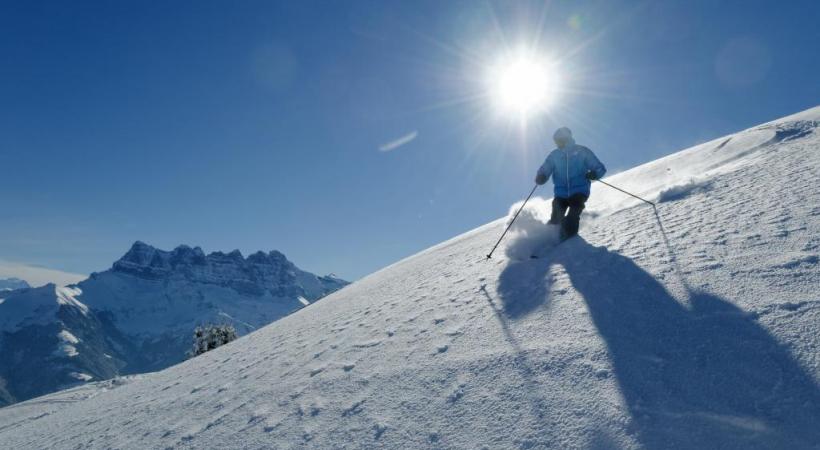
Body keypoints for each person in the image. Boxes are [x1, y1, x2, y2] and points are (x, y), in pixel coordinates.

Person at [535, 127, 606, 240]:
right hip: (561, 193)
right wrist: (541, 176)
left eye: (559, 140)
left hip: (579, 190)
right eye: (556, 141)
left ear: (566, 139)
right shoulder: (555, 155)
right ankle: (547, 240)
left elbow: (599, 167)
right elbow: (546, 167)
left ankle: (568, 238)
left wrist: (594, 174)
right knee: (556, 218)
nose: (557, 144)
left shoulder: (582, 151)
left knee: (574, 212)